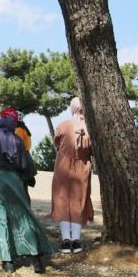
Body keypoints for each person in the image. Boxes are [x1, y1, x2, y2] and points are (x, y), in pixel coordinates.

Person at [0, 108, 53, 273]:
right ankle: (35, 258)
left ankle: (8, 261)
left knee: (0, 219)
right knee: (24, 217)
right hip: (16, 181)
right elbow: (26, 165)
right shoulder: (18, 140)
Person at [51, 98, 94, 254]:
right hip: (82, 167)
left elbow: (57, 142)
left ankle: (65, 240)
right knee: (79, 201)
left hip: (62, 166)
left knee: (61, 199)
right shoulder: (90, 127)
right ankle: (76, 240)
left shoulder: (63, 125)